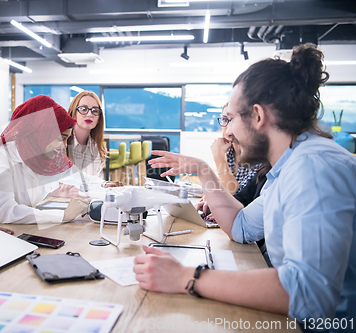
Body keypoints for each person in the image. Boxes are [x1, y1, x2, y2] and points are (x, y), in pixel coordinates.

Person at [134, 43, 355, 327]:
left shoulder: (313, 168)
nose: (227, 132)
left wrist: (185, 277)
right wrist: (204, 171)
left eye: (231, 119)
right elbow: (241, 226)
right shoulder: (289, 167)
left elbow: (309, 297)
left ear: (258, 116)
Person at [0, 95, 108, 225]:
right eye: (61, 138)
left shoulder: (45, 155)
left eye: (67, 138)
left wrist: (105, 185)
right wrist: (63, 215)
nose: (64, 146)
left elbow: (79, 177)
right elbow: (5, 212)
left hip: (22, 229)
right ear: (41, 133)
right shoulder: (2, 156)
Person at [211, 103, 261, 195]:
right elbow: (223, 189)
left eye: (234, 120)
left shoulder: (258, 155)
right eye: (225, 119)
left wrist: (219, 158)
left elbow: (235, 197)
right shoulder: (229, 151)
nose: (228, 128)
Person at [67, 91, 107, 177]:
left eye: (95, 110)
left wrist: (103, 185)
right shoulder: (60, 143)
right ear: (73, 113)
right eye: (83, 109)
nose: (89, 114)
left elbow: (91, 182)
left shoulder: (97, 148)